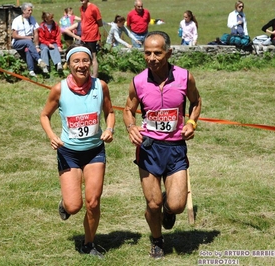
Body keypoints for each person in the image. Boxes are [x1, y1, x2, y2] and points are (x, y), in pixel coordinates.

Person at [122, 31, 202, 259]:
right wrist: (131, 128)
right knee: (153, 203)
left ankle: (169, 210)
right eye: (147, 53)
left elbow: (196, 102)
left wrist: (192, 122)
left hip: (176, 147)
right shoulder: (138, 81)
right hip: (148, 148)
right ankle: (157, 241)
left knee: (176, 205)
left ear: (169, 52)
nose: (152, 58)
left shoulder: (185, 77)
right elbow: (128, 109)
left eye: (157, 53)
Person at [40, 45, 115, 258]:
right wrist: (52, 136)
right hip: (69, 152)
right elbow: (44, 115)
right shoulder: (59, 89)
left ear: (90, 63)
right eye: (76, 61)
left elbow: (110, 112)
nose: (81, 65)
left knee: (93, 201)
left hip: (94, 152)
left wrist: (109, 128)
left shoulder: (101, 86)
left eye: (85, 61)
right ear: (69, 64)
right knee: (74, 206)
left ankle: (88, 243)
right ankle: (65, 204)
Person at [11, 2, 47, 77]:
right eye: (29, 10)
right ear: (24, 11)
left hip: (28, 43)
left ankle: (31, 71)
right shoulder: (17, 20)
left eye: (31, 10)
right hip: (17, 42)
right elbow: (14, 36)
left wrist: (37, 46)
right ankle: (39, 60)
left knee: (28, 50)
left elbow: (36, 33)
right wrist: (26, 37)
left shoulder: (32, 19)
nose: (30, 12)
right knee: (28, 42)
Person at [79, 0, 103, 78]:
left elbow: (100, 22)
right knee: (86, 56)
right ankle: (88, 75)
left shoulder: (93, 8)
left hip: (92, 36)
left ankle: (95, 76)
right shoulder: (81, 8)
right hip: (84, 36)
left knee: (93, 56)